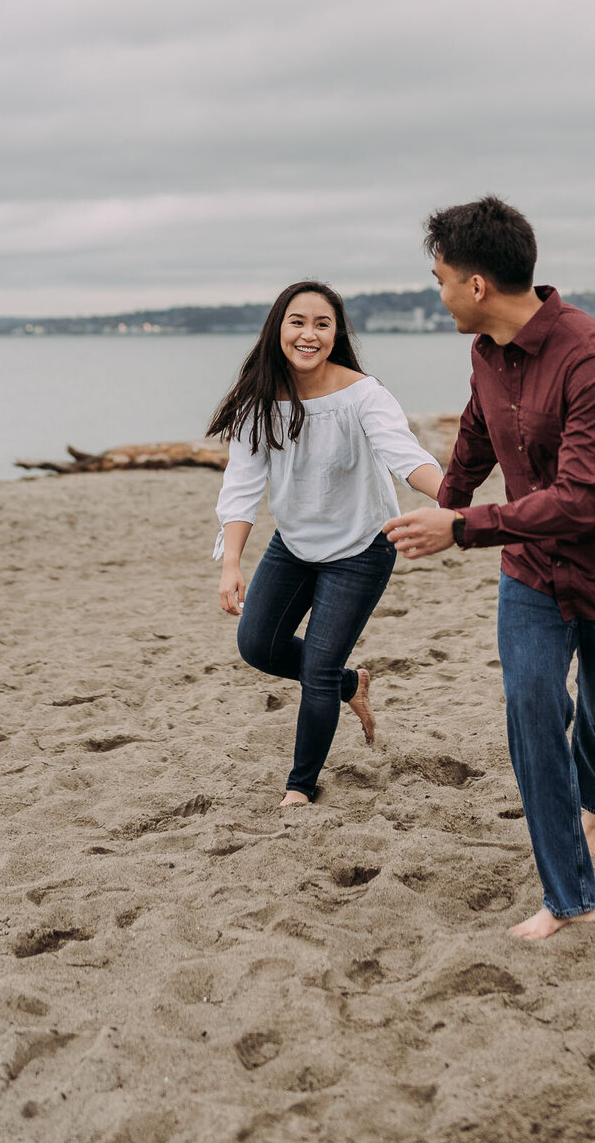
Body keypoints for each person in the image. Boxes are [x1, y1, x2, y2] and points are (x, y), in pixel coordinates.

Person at [386, 196, 595, 941]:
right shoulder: (485, 352)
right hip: (533, 573)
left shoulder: (593, 357)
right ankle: (568, 897)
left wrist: (463, 527)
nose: (438, 292)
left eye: (441, 278)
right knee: (533, 708)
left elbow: (578, 502)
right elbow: (478, 433)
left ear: (476, 285)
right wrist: (442, 509)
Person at [209, 280, 444, 808]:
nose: (308, 334)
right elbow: (242, 487)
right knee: (256, 644)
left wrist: (455, 501)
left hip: (362, 549)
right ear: (279, 328)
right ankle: (349, 683)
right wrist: (231, 564)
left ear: (337, 334)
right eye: (298, 322)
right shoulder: (258, 400)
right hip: (294, 544)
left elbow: (405, 457)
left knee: (314, 669)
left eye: (322, 324)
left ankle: (299, 786)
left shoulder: (364, 394)